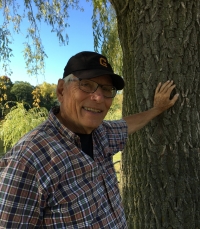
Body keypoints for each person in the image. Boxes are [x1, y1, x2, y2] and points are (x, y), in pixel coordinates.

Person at [0, 51, 179, 228]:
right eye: (86, 85)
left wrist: (157, 109)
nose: (99, 97)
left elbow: (126, 125)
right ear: (61, 90)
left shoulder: (101, 134)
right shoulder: (27, 161)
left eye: (107, 89)